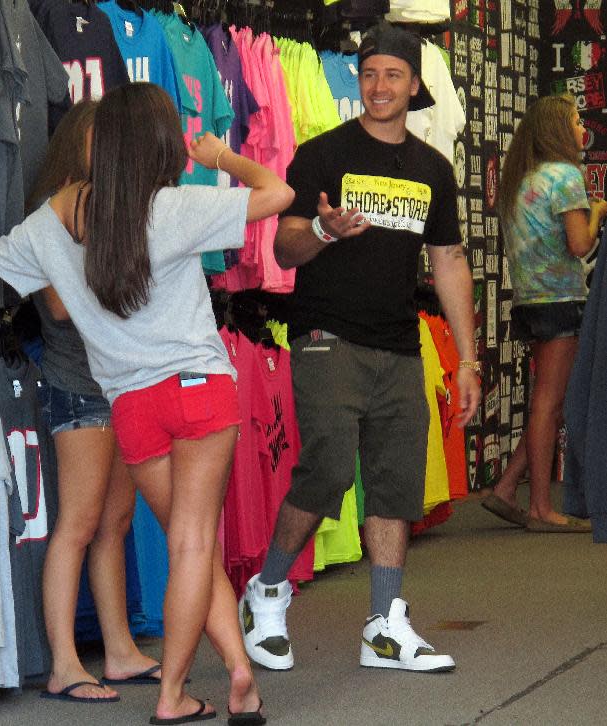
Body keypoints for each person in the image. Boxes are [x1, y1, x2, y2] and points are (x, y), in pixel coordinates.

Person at [0, 82, 294, 725]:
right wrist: (221, 157)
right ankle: (172, 695)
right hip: (198, 393)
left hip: (132, 409)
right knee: (193, 546)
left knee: (191, 549)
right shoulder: (173, 207)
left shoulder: (56, 220)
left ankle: (240, 672)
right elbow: (278, 193)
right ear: (156, 143)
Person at [237, 21, 481, 675]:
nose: (379, 85)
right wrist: (321, 227)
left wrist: (470, 357)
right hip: (325, 335)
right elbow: (283, 246)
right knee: (327, 470)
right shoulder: (322, 154)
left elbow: (450, 262)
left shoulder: (433, 169)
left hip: (400, 345)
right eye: (369, 72)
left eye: (392, 75)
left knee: (396, 485)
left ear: (411, 87)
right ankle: (266, 593)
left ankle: (384, 623)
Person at [24, 99, 161, 703]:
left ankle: (121, 651)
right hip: (75, 387)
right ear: (80, 145)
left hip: (118, 382)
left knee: (116, 523)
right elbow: (57, 306)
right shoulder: (50, 215)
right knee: (76, 526)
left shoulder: (112, 210)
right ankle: (62, 664)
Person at [482, 94, 607, 533]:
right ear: (558, 129)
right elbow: (579, 245)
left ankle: (506, 487)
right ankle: (540, 507)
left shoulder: (522, 178)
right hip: (561, 301)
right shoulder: (566, 177)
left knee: (547, 404)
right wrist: (598, 213)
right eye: (575, 121)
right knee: (549, 405)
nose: (582, 129)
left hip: (530, 302)